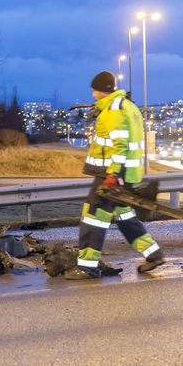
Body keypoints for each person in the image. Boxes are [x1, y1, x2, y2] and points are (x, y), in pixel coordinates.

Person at [66, 71, 164, 280]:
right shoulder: (128, 105)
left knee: (93, 216)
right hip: (125, 173)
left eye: (94, 90)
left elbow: (119, 144)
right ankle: (153, 254)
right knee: (124, 216)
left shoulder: (113, 110)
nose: (93, 95)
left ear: (102, 90)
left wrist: (112, 174)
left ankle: (87, 266)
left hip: (110, 174)